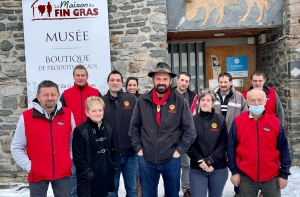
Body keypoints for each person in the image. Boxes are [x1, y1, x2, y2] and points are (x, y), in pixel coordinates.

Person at [130, 62, 196, 197]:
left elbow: (190, 130)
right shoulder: (142, 100)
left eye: (165, 79)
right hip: (146, 160)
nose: (161, 82)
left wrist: (178, 151)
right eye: (158, 79)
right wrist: (139, 149)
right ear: (153, 80)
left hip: (171, 160)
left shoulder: (179, 101)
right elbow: (133, 128)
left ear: (170, 80)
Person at [11, 80, 75, 197]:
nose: (50, 98)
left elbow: (73, 141)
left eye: (53, 94)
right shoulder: (26, 117)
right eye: (45, 95)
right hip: (37, 174)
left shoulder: (68, 114)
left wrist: (69, 160)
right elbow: (16, 147)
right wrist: (29, 166)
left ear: (58, 96)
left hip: (63, 173)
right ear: (38, 97)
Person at [227, 88, 291, 197]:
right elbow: (231, 149)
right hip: (246, 177)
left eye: (260, 100)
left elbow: (284, 149)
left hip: (272, 177)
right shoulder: (238, 121)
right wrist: (234, 172)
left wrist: (284, 174)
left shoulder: (274, 122)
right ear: (247, 102)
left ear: (265, 101)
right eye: (252, 100)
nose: (256, 103)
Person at [60, 64, 102, 197]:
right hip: (74, 141)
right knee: (74, 176)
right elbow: (60, 116)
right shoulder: (66, 94)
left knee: (93, 175)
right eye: (77, 75)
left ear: (87, 76)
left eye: (83, 75)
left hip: (93, 139)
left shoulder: (96, 92)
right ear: (73, 77)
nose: (80, 77)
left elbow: (102, 114)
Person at [72, 96, 119, 197]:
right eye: (93, 111)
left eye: (100, 110)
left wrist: (113, 167)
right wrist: (90, 175)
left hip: (106, 176)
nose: (98, 113)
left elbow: (114, 150)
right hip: (88, 182)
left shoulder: (109, 127)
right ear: (87, 112)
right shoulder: (80, 131)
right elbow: (78, 158)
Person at [102, 70, 138, 197]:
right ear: (107, 82)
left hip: (131, 154)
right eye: (112, 80)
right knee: (111, 191)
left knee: (132, 190)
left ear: (122, 83)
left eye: (118, 80)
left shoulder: (132, 99)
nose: (115, 83)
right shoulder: (101, 101)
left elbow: (139, 123)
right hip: (110, 155)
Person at [188, 88, 228, 197]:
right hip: (197, 168)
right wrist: (201, 161)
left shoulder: (220, 120)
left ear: (213, 103)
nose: (205, 102)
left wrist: (209, 160)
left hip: (218, 168)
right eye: (202, 100)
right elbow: (188, 143)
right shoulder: (192, 120)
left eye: (208, 100)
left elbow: (224, 143)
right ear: (199, 102)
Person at [173, 72, 198, 197]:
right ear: (177, 81)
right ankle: (172, 190)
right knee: (172, 166)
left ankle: (186, 189)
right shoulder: (169, 95)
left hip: (187, 137)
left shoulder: (193, 97)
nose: (184, 83)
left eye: (186, 81)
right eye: (182, 80)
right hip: (171, 137)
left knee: (187, 164)